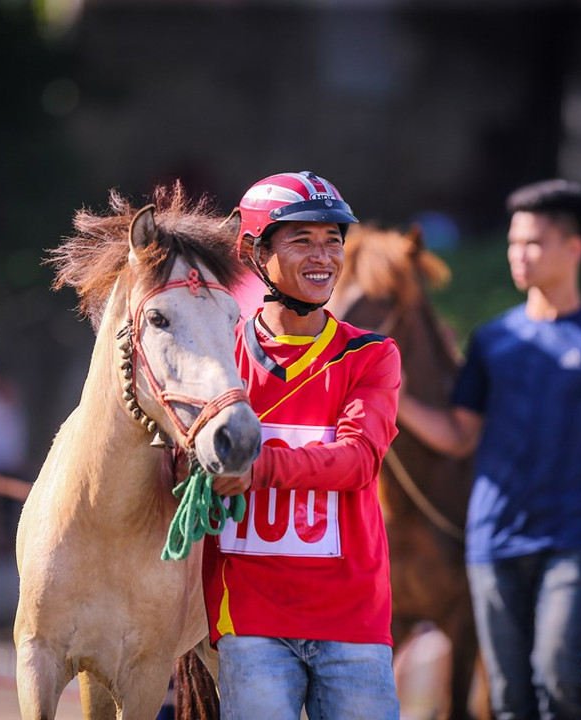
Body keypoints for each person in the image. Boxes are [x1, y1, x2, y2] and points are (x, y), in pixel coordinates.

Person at [396, 179, 581, 719]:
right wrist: (395, 399)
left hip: (572, 539)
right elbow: (460, 434)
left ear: (574, 248)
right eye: (514, 243)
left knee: (561, 676)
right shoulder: (493, 340)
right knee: (508, 695)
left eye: (534, 243)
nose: (519, 254)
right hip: (493, 540)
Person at [202, 171, 402, 719]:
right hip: (249, 617)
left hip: (353, 618)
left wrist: (254, 467)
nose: (323, 257)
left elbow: (358, 460)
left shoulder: (372, 355)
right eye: (302, 240)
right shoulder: (217, 354)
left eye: (333, 241)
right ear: (254, 252)